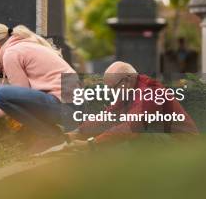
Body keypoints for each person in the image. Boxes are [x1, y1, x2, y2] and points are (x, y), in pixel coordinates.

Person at [0, 23, 77, 153]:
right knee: (2, 94)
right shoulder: (23, 45)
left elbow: (20, 95)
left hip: (67, 109)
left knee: (0, 93)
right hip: (73, 107)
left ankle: (51, 136)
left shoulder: (11, 54)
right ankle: (52, 136)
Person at [66, 61, 198, 148]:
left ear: (127, 80)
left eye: (113, 88)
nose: (111, 93)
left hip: (183, 144)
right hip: (164, 139)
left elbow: (130, 127)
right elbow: (108, 116)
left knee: (136, 138)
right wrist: (76, 133)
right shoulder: (128, 90)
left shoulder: (151, 93)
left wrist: (91, 145)